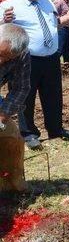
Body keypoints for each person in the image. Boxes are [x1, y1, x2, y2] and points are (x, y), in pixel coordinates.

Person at [1, 0, 69, 149]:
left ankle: (56, 130)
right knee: (24, 97)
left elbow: (52, 25)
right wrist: (4, 20)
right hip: (26, 61)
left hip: (51, 57)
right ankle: (28, 134)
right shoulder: (8, 6)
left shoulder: (46, 2)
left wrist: (64, 20)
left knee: (53, 95)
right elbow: (3, 32)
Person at [0, 24, 31, 191]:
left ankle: (11, 185)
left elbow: (20, 88)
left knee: (12, 137)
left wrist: (3, 117)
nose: (1, 61)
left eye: (7, 59)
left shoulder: (22, 55)